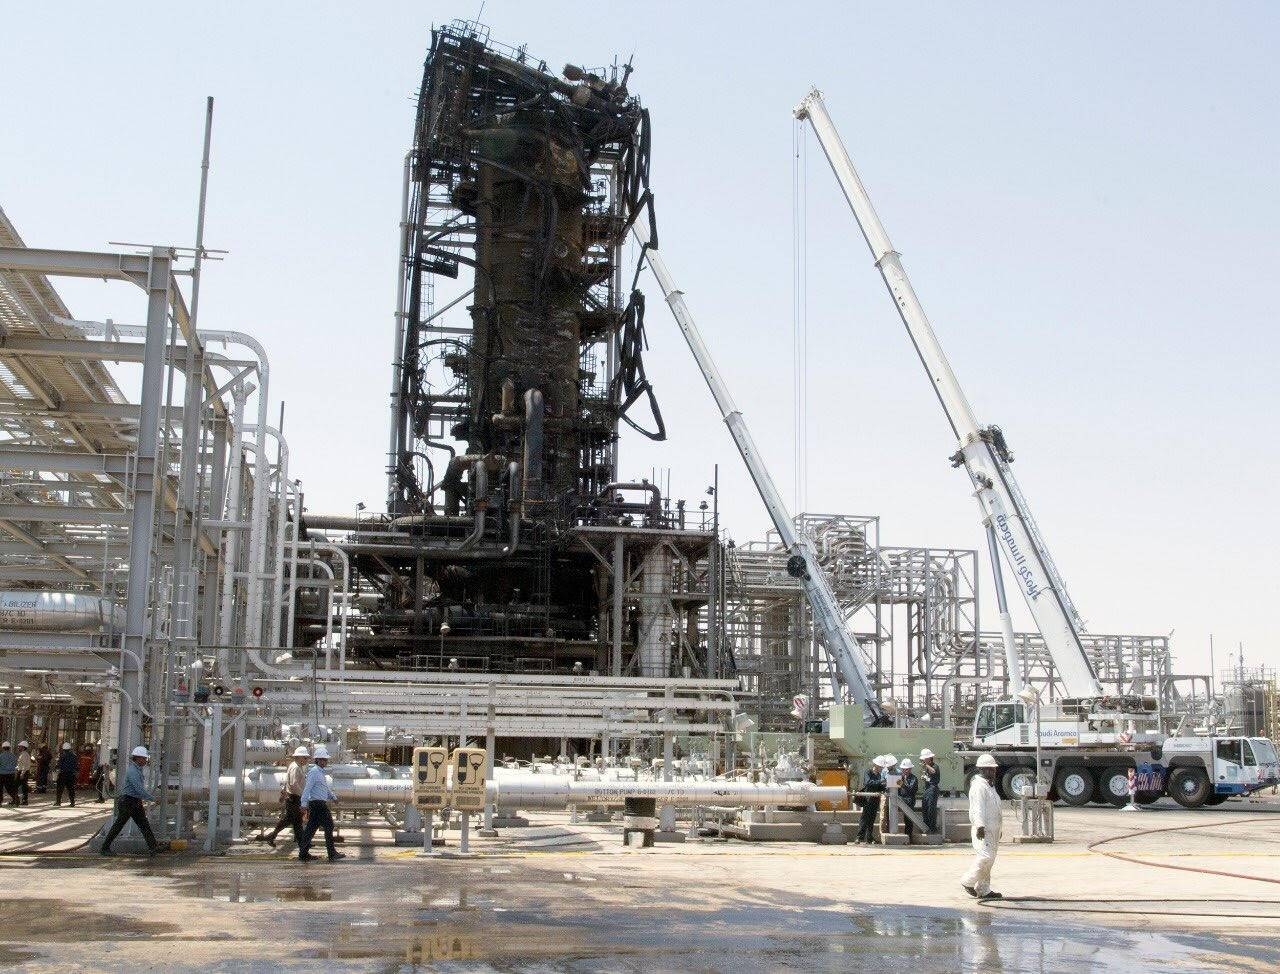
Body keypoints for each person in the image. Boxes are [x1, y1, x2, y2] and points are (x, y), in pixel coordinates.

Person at [101, 746, 159, 856]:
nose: (146, 760)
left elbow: (138, 790)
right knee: (119, 825)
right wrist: (152, 798)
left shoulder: (137, 769)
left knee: (143, 825)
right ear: (138, 758)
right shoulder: (133, 771)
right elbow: (138, 789)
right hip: (128, 801)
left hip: (133, 801)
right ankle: (104, 847)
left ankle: (153, 848)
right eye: (144, 758)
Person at [961, 753, 1004, 901]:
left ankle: (984, 889)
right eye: (989, 769)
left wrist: (999, 829)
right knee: (985, 857)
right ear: (981, 769)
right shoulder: (979, 787)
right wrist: (979, 825)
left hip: (993, 830)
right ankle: (968, 881)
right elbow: (977, 809)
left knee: (989, 861)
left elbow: (995, 809)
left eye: (993, 769)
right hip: (983, 830)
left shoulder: (990, 787)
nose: (992, 772)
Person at [297, 745, 345, 862]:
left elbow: (324, 789)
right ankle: (331, 853)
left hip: (318, 804)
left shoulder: (320, 773)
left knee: (310, 829)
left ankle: (303, 853)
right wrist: (303, 804)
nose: (324, 761)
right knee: (329, 826)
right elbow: (307, 788)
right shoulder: (314, 772)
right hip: (318, 804)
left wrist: (333, 797)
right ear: (317, 760)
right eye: (322, 759)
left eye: (325, 760)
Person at [260, 746, 310, 847]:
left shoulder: (295, 766)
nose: (306, 760)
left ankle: (302, 843)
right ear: (299, 757)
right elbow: (293, 784)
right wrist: (303, 796)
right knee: (294, 821)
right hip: (294, 798)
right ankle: (302, 843)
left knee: (294, 821)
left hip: (293, 798)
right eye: (305, 758)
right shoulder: (295, 767)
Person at [856, 756, 887, 844]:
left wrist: (885, 786)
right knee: (865, 818)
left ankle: (869, 837)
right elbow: (868, 783)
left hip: (875, 799)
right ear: (876, 765)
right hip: (868, 798)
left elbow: (879, 786)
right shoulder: (868, 772)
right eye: (880, 766)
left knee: (872, 819)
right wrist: (880, 782)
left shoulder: (879, 775)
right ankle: (859, 837)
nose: (881, 768)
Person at [919, 748, 941, 834]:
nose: (923, 760)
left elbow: (933, 771)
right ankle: (926, 826)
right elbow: (928, 776)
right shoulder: (926, 768)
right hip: (927, 789)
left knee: (931, 808)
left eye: (924, 758)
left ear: (929, 758)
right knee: (925, 808)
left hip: (933, 789)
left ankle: (932, 828)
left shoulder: (935, 766)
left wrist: (926, 765)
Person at [899, 758, 919, 839]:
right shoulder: (899, 777)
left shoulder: (913, 778)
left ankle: (909, 836)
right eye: (903, 769)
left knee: (908, 819)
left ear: (910, 769)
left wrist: (903, 784)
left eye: (906, 769)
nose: (905, 771)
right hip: (900, 799)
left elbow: (911, 789)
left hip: (909, 800)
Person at [55, 742, 78, 807]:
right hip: (71, 774)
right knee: (71, 789)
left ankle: (58, 802)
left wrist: (57, 769)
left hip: (63, 774)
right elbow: (76, 766)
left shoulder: (62, 756)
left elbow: (59, 765)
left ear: (63, 749)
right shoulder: (74, 756)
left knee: (60, 788)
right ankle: (72, 802)